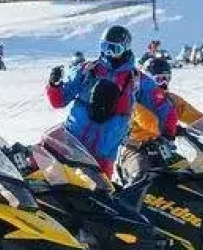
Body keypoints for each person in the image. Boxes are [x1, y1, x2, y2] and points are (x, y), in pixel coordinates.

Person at [47, 24, 177, 177]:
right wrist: (54, 85)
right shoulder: (87, 71)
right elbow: (58, 101)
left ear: (125, 48)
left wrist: (168, 135)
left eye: (114, 49)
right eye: (104, 47)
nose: (107, 53)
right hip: (70, 145)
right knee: (51, 183)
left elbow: (164, 106)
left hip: (102, 157)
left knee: (97, 191)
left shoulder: (136, 80)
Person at [118, 54, 203, 179]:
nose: (164, 83)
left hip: (165, 150)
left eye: (166, 78)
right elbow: (143, 121)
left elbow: (194, 116)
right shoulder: (135, 99)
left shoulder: (171, 100)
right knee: (143, 177)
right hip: (136, 150)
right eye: (159, 79)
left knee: (191, 177)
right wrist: (166, 131)